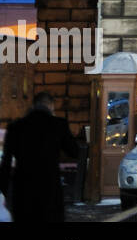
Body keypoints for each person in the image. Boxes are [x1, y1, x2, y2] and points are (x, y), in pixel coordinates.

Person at [0, 92, 81, 223]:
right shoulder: (58, 124)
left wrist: (3, 191)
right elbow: (74, 151)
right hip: (49, 190)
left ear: (33, 105)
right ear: (50, 106)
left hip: (23, 191)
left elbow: (6, 163)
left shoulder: (16, 127)